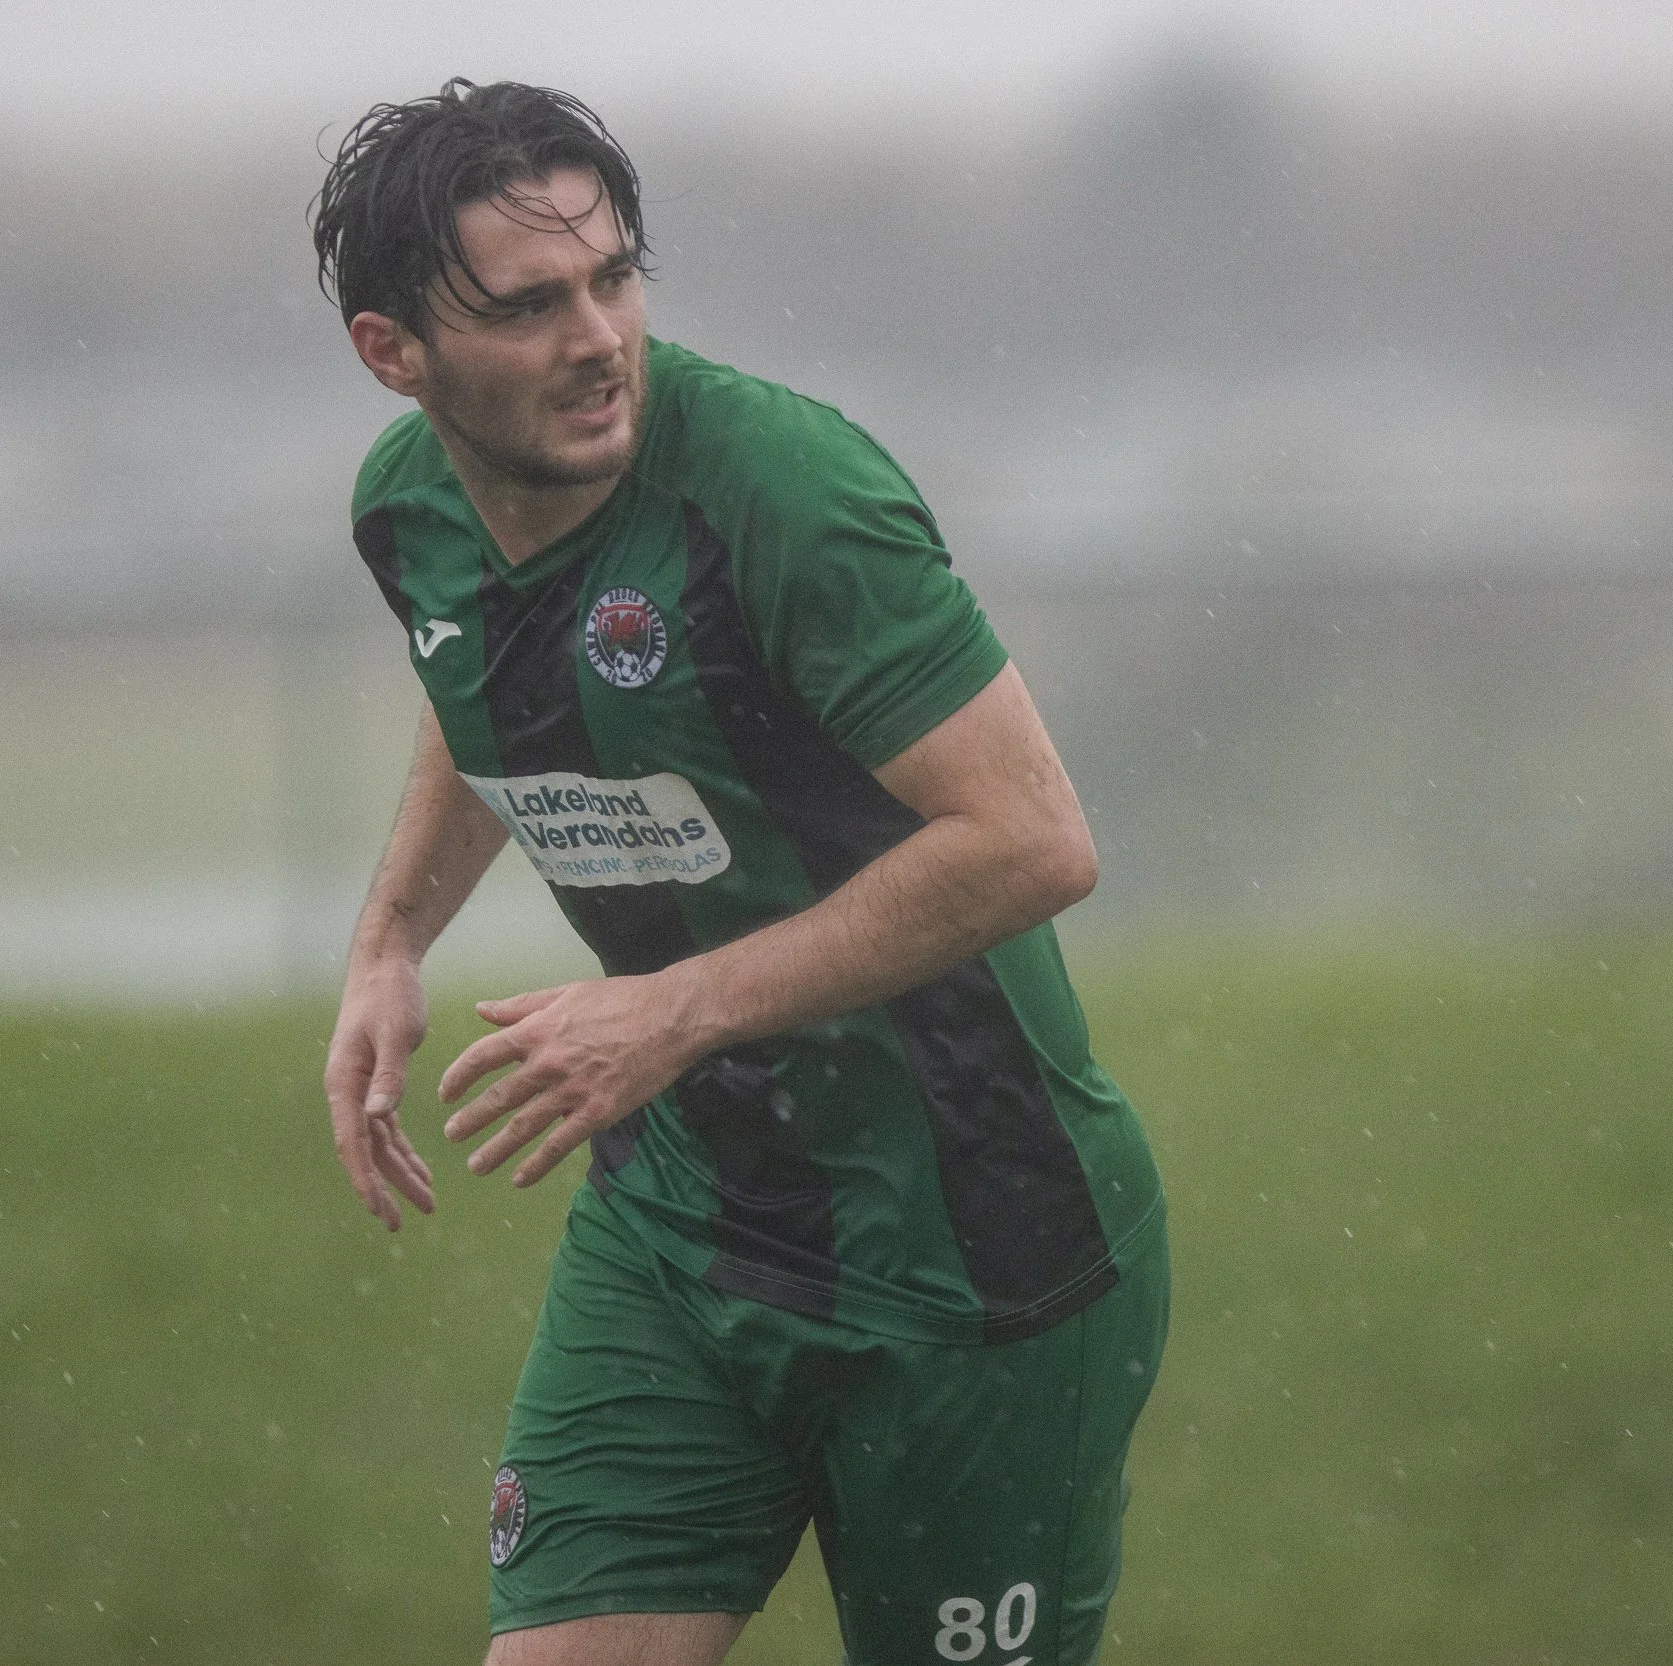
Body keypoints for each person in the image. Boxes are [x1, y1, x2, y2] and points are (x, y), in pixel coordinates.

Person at [314, 79, 1167, 1666]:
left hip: (973, 1255)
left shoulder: (786, 492)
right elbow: (485, 683)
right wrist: (389, 942)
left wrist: (672, 1012)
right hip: (685, 1227)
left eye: (616, 278)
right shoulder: (409, 506)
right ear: (394, 352)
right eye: (527, 305)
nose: (597, 338)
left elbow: (1035, 840)